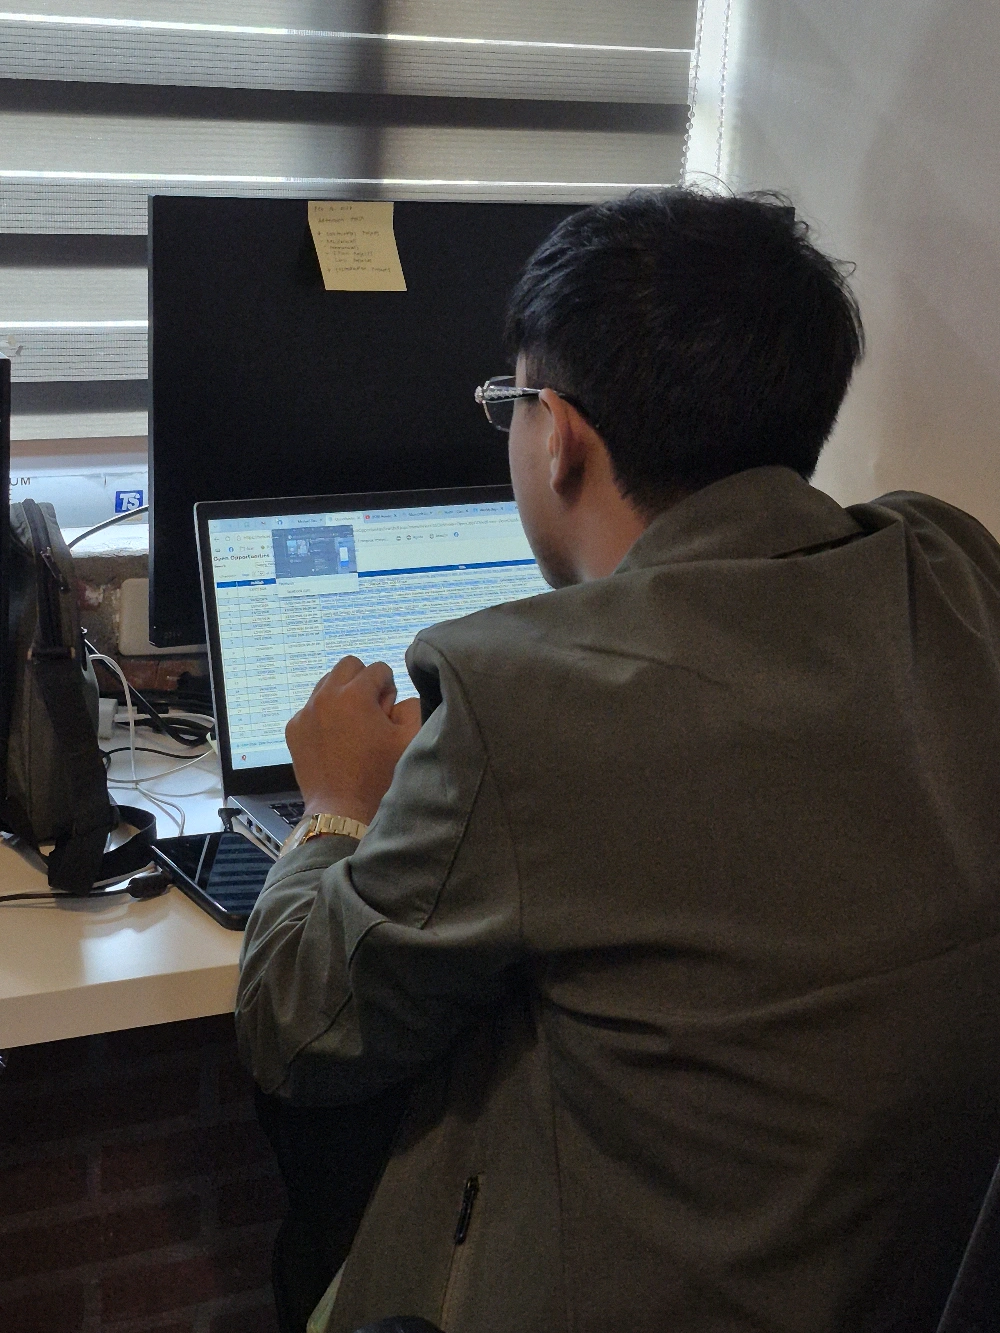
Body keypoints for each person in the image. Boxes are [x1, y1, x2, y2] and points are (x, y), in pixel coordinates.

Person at [236, 189, 1000, 1333]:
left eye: (509, 402)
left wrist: (337, 807)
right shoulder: (951, 570)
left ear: (558, 435)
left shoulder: (519, 698)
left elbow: (295, 1023)